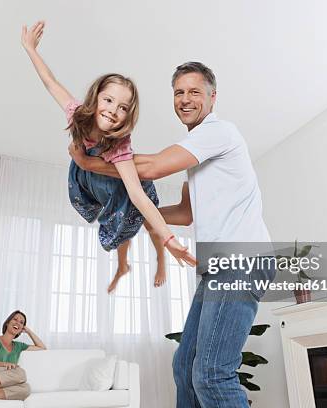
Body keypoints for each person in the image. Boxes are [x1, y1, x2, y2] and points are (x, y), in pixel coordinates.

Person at [69, 62, 275, 408]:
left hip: (241, 260)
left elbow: (150, 166)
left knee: (211, 374)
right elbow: (185, 212)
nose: (185, 99)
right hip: (218, 269)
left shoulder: (218, 131)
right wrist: (132, 217)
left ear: (212, 97)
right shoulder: (199, 153)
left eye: (194, 91)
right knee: (184, 367)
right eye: (179, 92)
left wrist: (91, 164)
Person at [21, 20, 196, 293]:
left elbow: (137, 195)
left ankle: (163, 251)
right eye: (109, 100)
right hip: (95, 183)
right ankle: (123, 266)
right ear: (96, 98)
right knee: (118, 229)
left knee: (138, 218)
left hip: (122, 187)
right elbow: (50, 82)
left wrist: (170, 240)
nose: (114, 110)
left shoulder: (119, 145)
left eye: (123, 107)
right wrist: (31, 48)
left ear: (129, 115)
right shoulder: (77, 114)